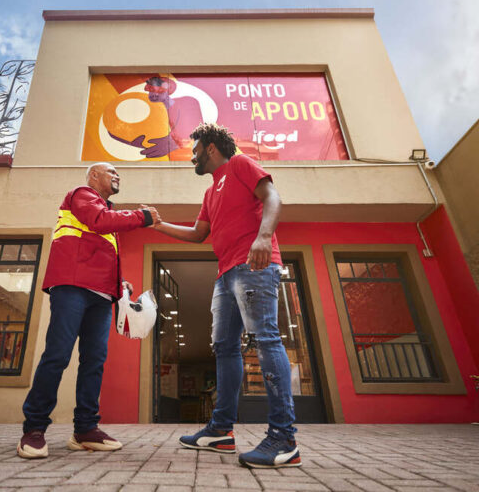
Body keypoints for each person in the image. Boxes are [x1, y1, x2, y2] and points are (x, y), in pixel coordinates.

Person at [147, 123, 300, 469]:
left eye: (195, 151)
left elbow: (272, 197)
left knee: (265, 338)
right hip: (226, 273)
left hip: (253, 265)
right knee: (225, 347)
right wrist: (158, 225)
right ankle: (220, 431)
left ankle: (283, 437)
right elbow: (198, 234)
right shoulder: (210, 192)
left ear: (211, 147)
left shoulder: (241, 164)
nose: (192, 158)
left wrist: (264, 237)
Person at [17, 163, 160, 459]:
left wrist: (119, 283)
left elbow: (94, 247)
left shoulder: (106, 211)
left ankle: (85, 429)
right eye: (111, 172)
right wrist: (142, 216)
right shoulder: (82, 194)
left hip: (100, 294)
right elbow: (98, 221)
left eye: (118, 173)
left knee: (94, 360)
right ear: (94, 176)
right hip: (71, 286)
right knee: (58, 355)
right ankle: (34, 430)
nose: (117, 176)